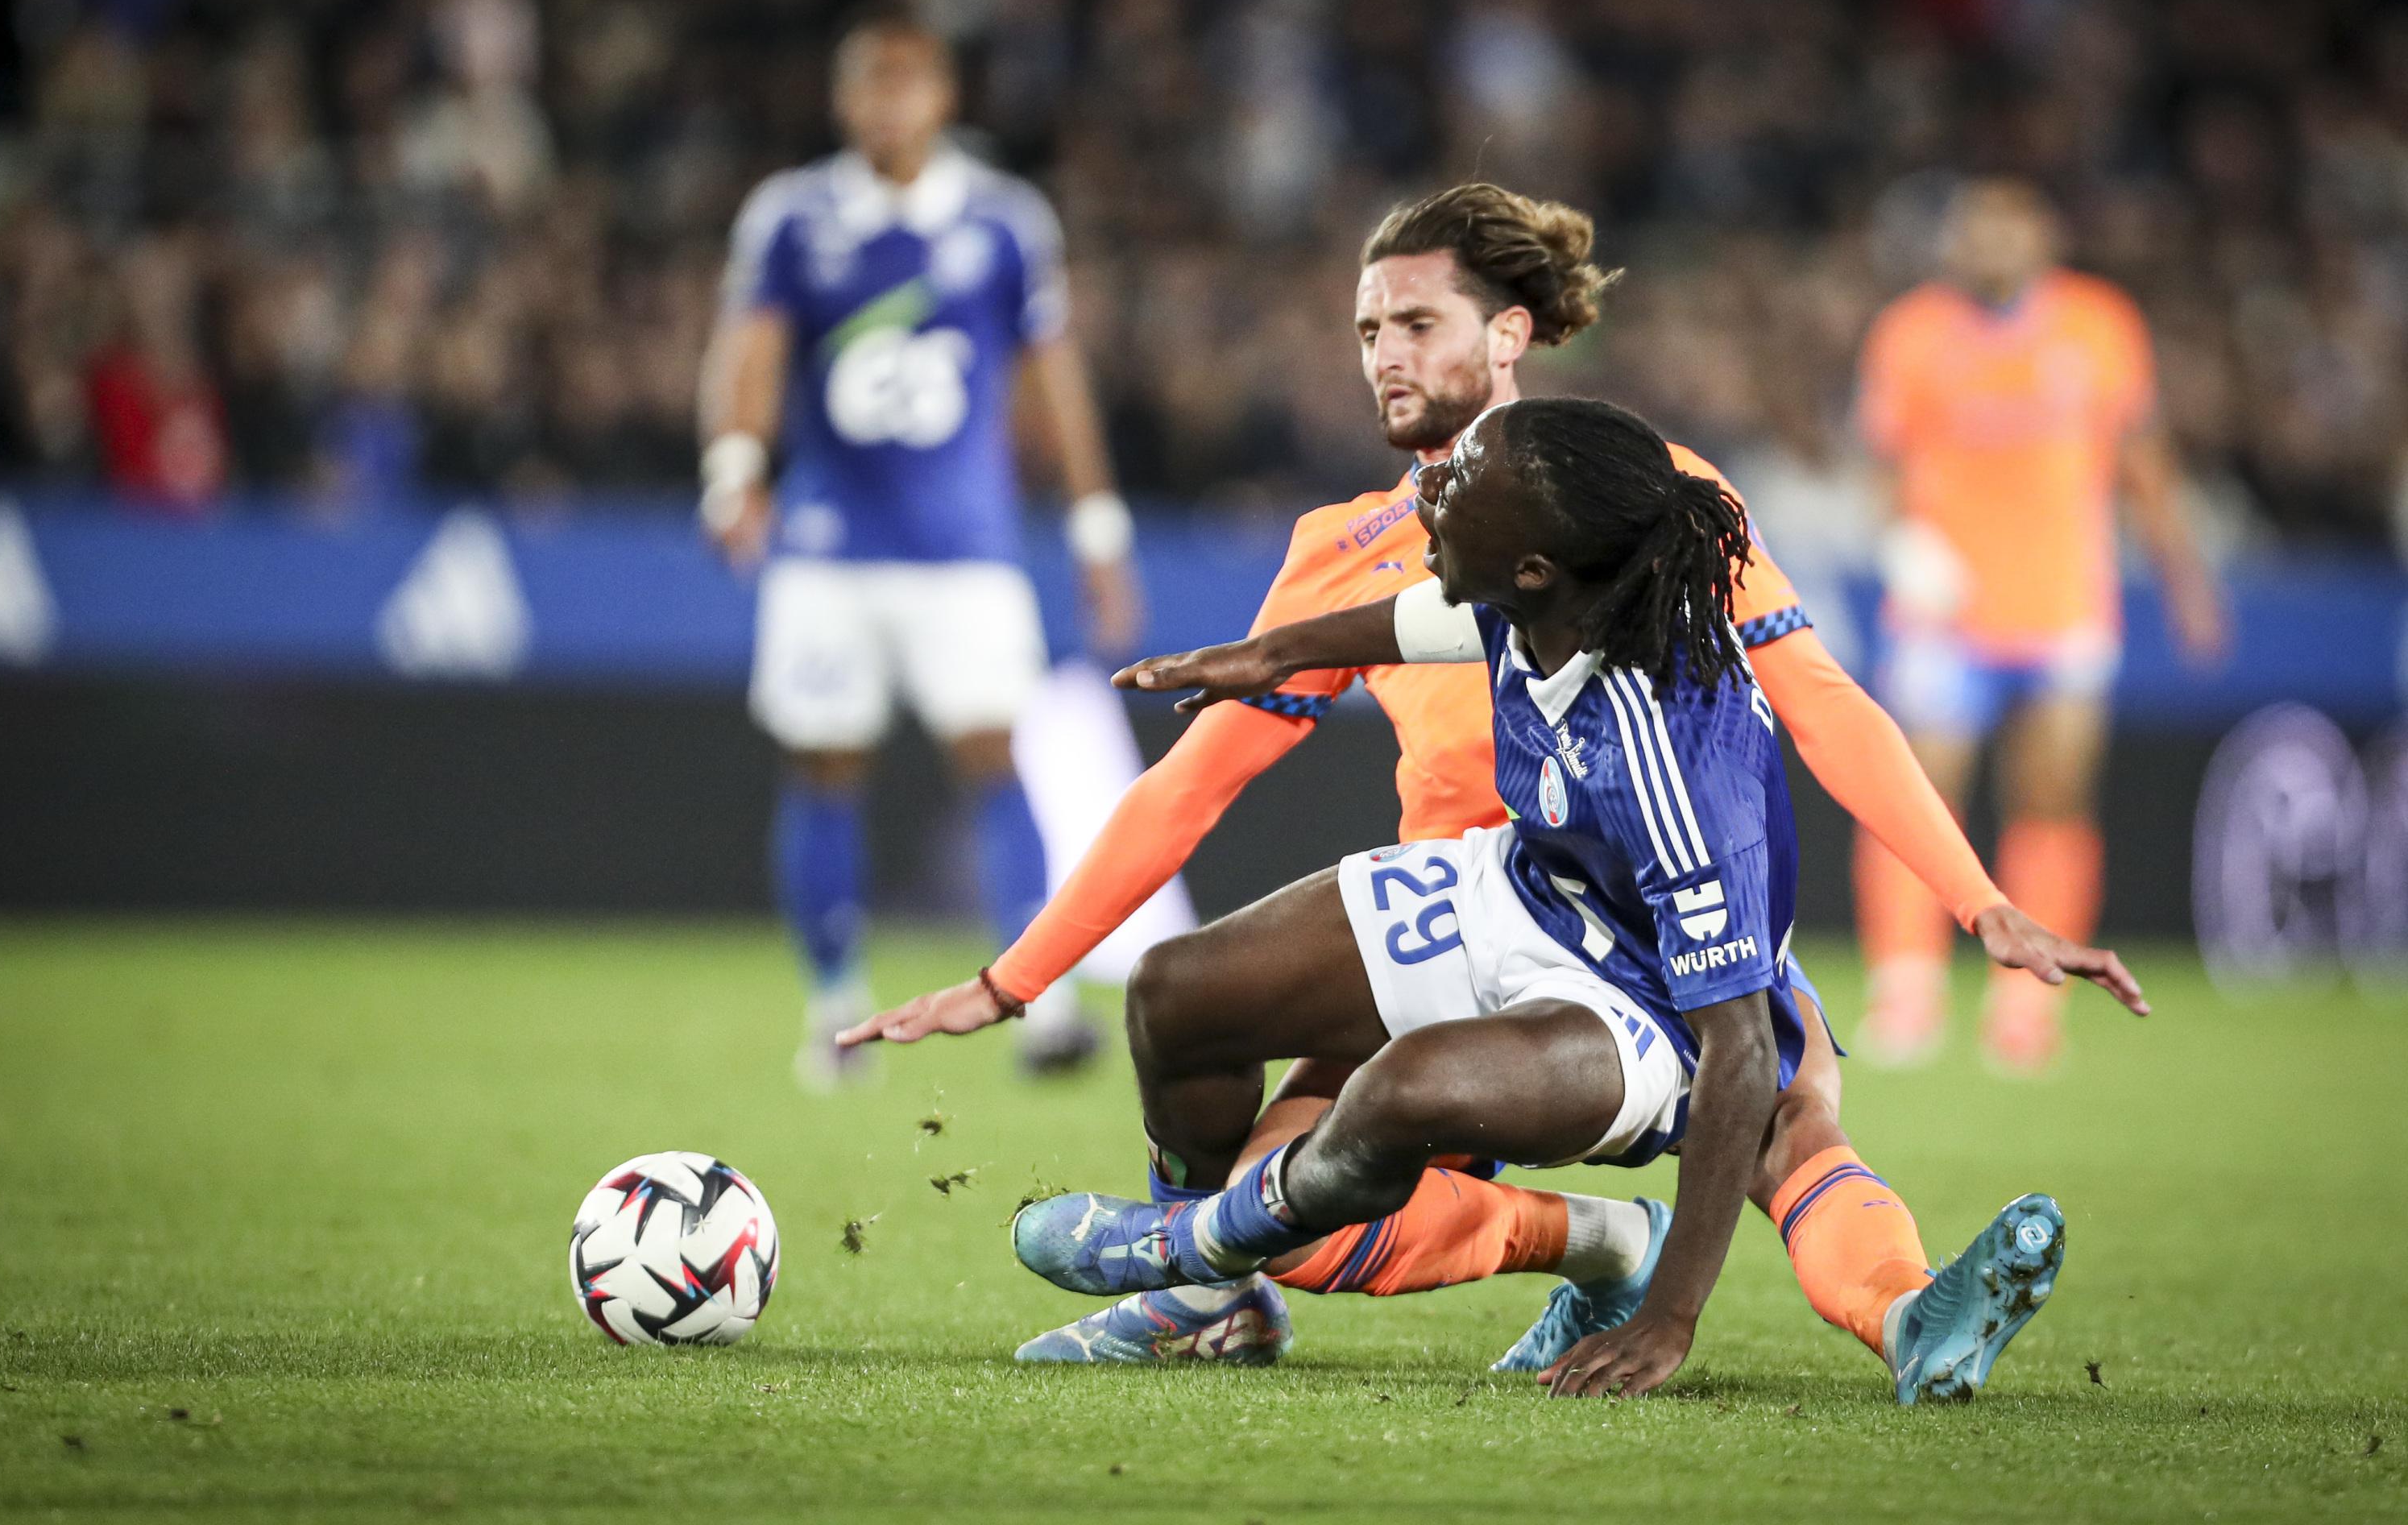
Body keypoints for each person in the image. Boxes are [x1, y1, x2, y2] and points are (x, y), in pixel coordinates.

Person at [840, 184, 2136, 1368]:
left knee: (1788, 1114)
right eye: (1365, 330)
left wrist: (1979, 901)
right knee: (1261, 1156)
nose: (1383, 354)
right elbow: (1187, 789)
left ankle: (1911, 1315)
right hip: (1463, 925)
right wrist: (1016, 979)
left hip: (1652, 927)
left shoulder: (1654, 503)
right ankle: (1541, 1244)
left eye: (1415, 320)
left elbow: (1822, 704)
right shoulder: (1350, 544)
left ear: (1509, 333)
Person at [1007, 398, 2120, 1402]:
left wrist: (1671, 1319)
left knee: (1400, 1095)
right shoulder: (1534, 601)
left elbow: (1735, 1044)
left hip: (1653, 1003)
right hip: (1529, 889)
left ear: (1535, 563)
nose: (1432, 486)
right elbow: (1410, 623)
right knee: (1175, 990)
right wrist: (1269, 656)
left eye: (1463, 479)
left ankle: (1188, 1256)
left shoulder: (1671, 757)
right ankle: (1228, 1288)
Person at [698, 10, 1142, 1084]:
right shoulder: (795, 217)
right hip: (829, 545)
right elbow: (748, 350)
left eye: (907, 83)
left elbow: (1054, 373)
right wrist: (734, 470)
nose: (886, 103)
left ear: (941, 98)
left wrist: (1095, 524)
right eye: (869, 83)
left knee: (999, 758)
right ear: (845, 99)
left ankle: (1038, 1006)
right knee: (823, 765)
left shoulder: (1002, 221)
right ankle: (835, 1006)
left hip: (965, 545)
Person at [1854, 177, 2226, 1072]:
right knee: (1920, 796)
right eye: (1974, 231)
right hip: (1947, 613)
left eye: (2006, 230)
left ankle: (2029, 999)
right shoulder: (1911, 331)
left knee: (2051, 795)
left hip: (2063, 605)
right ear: (1954, 243)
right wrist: (1902, 544)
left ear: (2042, 238)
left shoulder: (2099, 324)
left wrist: (2186, 584)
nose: (1989, 246)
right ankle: (1907, 986)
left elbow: (2141, 460)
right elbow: (1881, 460)